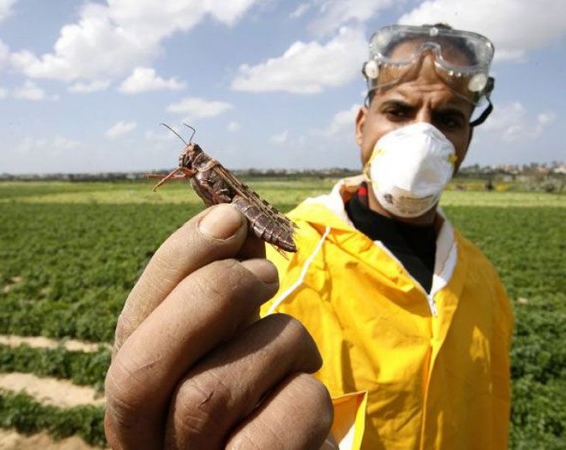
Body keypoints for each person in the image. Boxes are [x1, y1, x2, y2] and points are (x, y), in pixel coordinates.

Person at [104, 23, 513, 449]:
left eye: (448, 118)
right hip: (270, 227)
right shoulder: (264, 268)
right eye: (398, 111)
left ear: (467, 138)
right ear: (361, 125)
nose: (423, 135)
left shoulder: (488, 283)